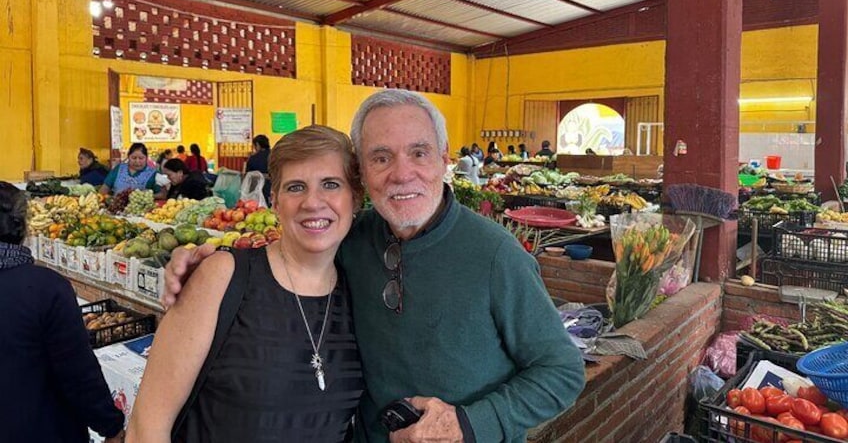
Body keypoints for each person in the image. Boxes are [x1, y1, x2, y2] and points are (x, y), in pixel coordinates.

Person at [164, 90, 585, 443]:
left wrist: (468, 424)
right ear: (362, 174)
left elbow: (563, 371)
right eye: (381, 157)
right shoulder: (352, 238)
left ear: (443, 158)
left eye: (418, 153)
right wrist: (208, 259)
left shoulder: (497, 255)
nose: (402, 174)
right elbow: (296, 242)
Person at [127, 126, 365, 443]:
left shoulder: (360, 292)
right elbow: (148, 426)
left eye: (331, 185)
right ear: (274, 201)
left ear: (356, 198)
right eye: (295, 187)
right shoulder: (223, 276)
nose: (313, 202)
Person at [0, 181, 125, 443]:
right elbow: (77, 373)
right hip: (40, 429)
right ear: (24, 226)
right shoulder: (46, 288)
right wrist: (111, 427)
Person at [100, 142, 164, 198]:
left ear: (146, 158)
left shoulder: (154, 174)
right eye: (134, 158)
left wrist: (146, 195)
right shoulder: (119, 169)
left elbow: (162, 194)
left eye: (141, 158)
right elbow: (105, 188)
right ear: (128, 157)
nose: (137, 161)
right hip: (116, 207)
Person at [245, 134, 272, 204]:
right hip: (274, 189)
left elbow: (248, 176)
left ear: (257, 144)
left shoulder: (253, 158)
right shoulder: (275, 155)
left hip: (258, 192)